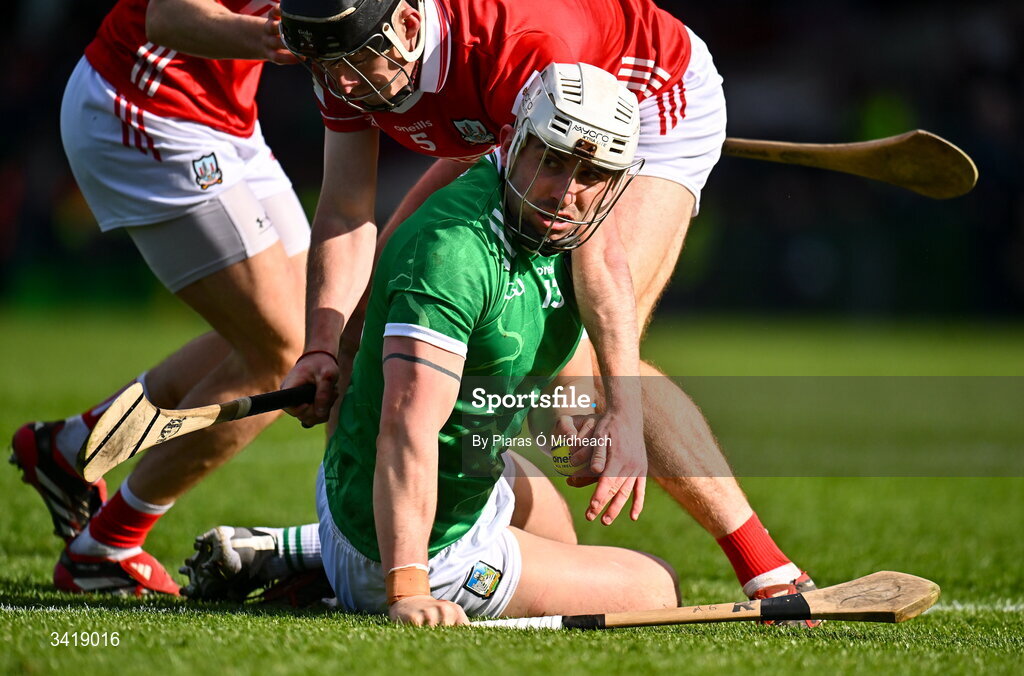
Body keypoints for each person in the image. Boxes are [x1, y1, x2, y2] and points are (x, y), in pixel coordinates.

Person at [270, 0, 819, 612]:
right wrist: (325, 343)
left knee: (585, 358)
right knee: (383, 316)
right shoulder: (346, 55)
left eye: (353, 63)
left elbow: (599, 252)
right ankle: (362, 548)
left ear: (405, 25)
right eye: (322, 67)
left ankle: (763, 565)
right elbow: (347, 211)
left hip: (650, 97)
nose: (340, 84)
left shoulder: (521, 46)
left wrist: (624, 415)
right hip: (509, 117)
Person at [10, 0, 312, 596]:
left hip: (225, 114)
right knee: (282, 355)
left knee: (306, 325)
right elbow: (169, 17)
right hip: (144, 106)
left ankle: (74, 448)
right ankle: (108, 544)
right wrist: (276, 36)